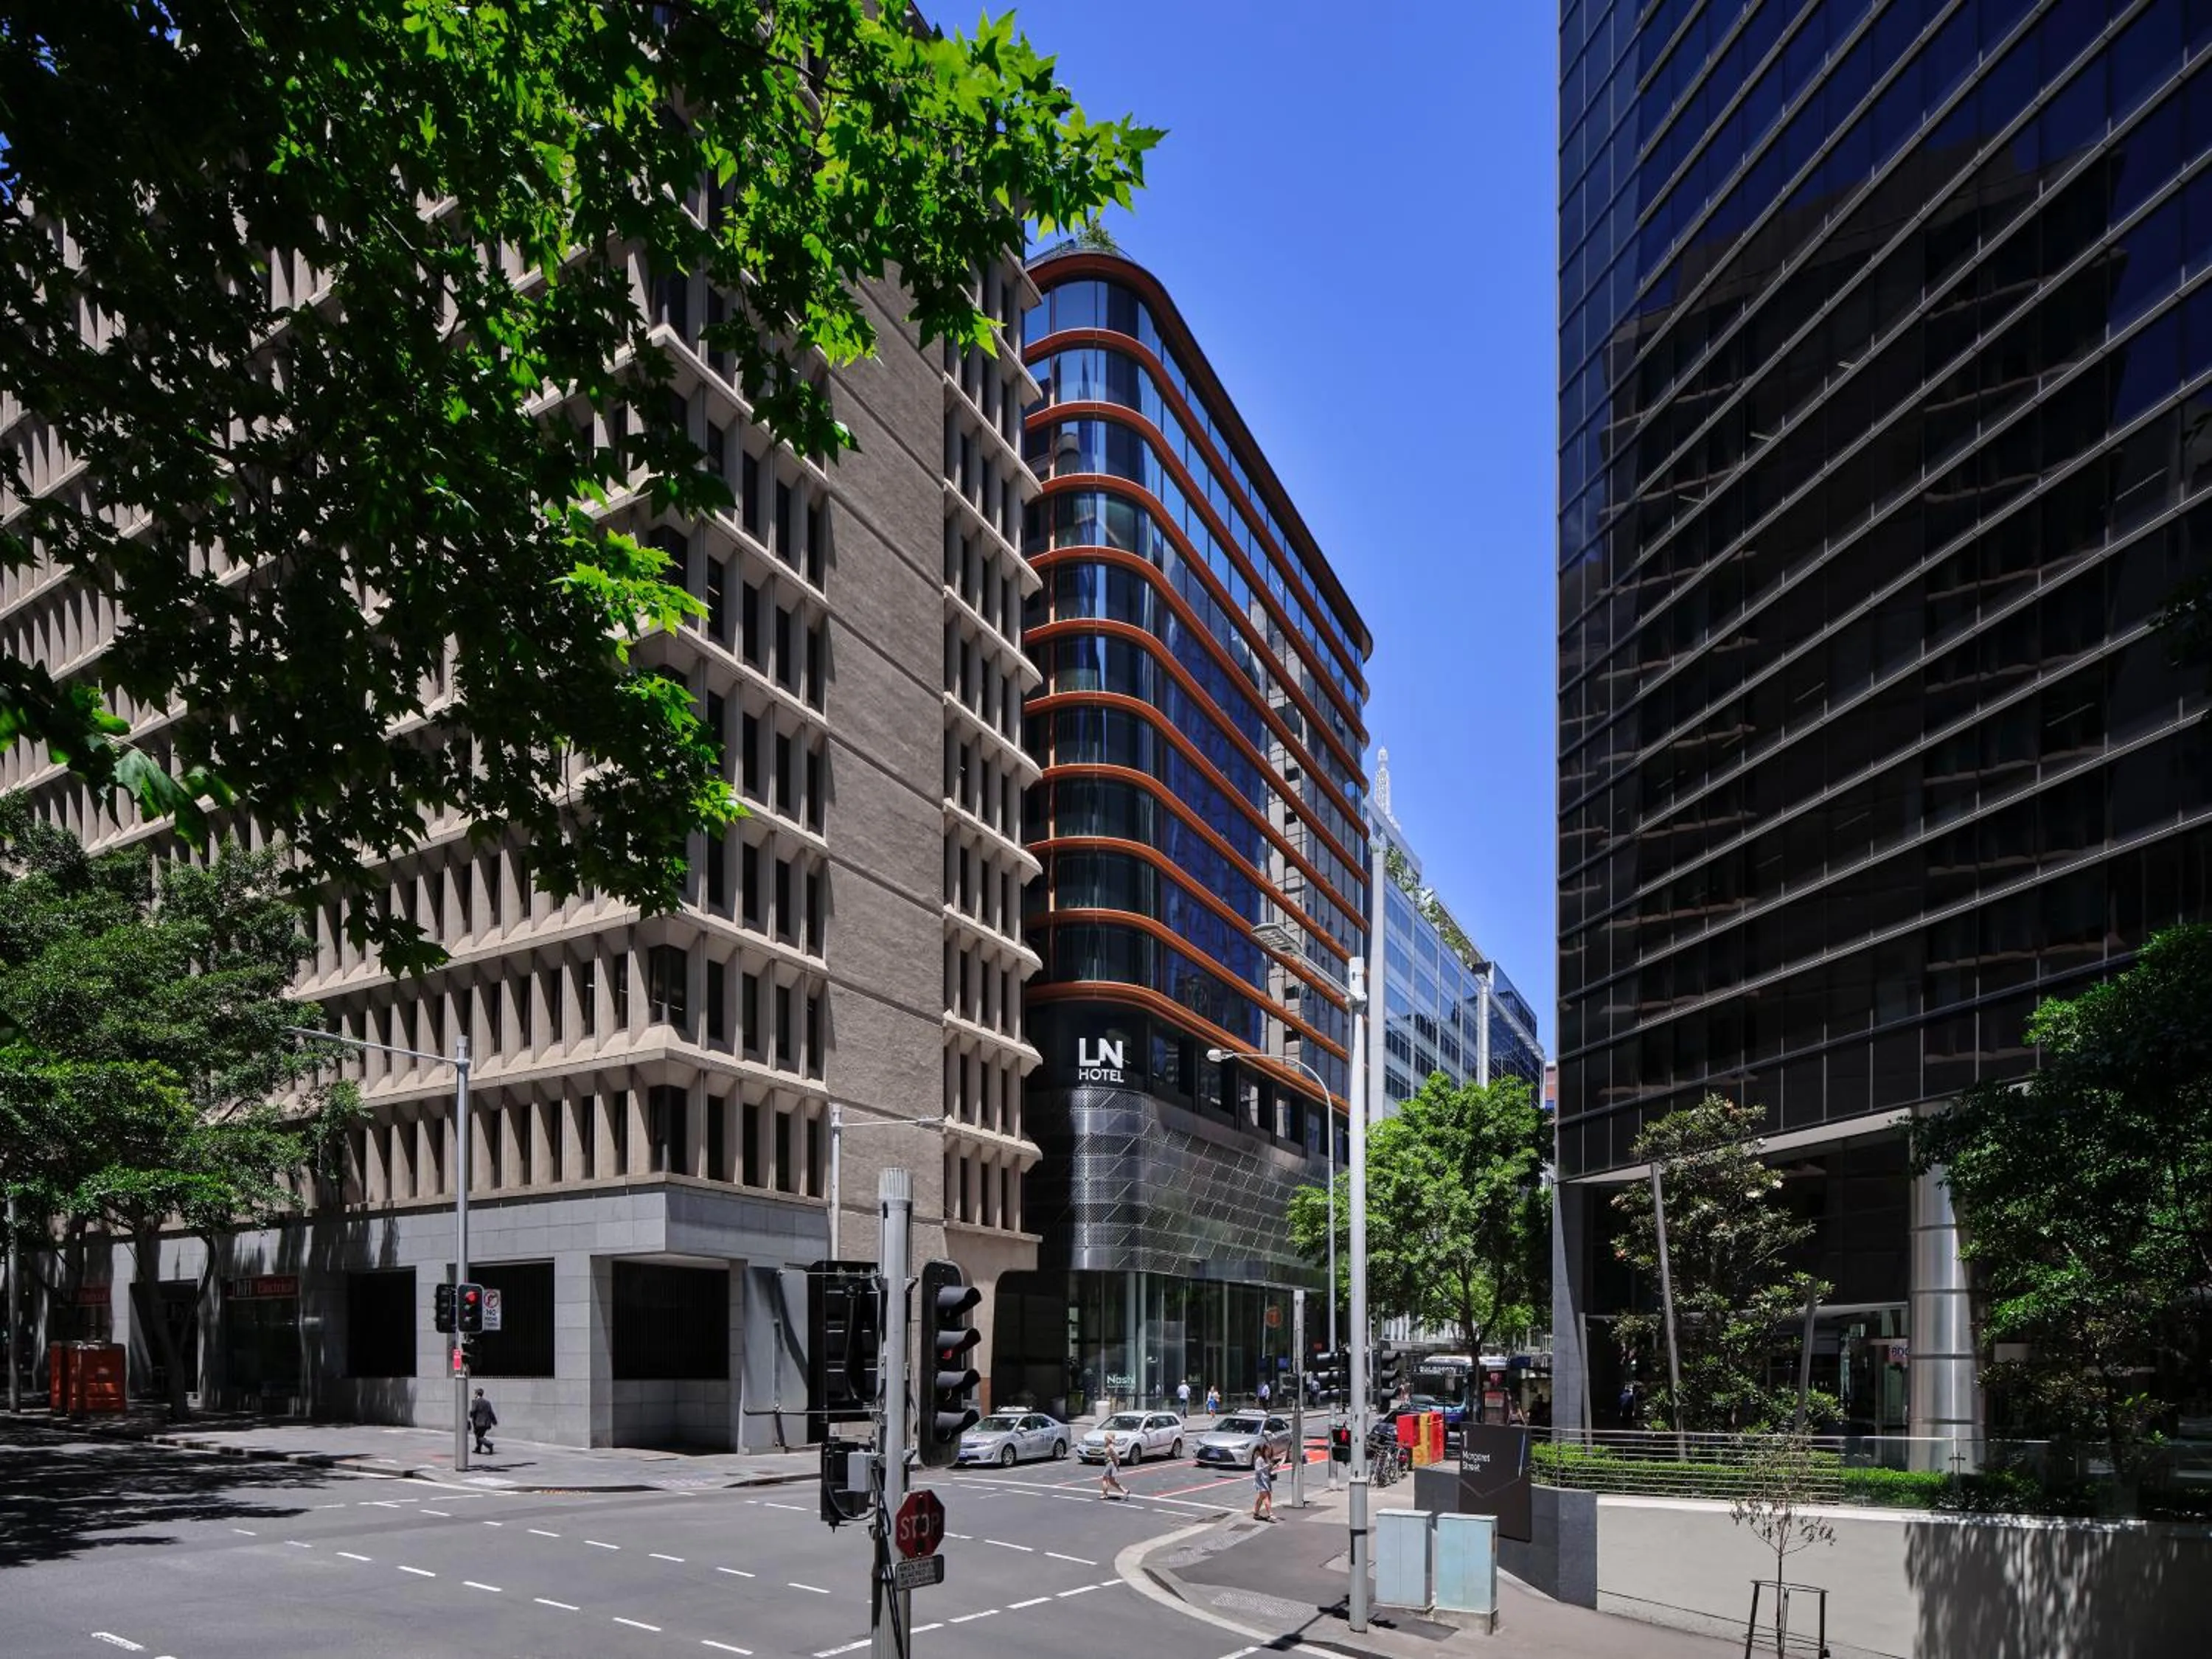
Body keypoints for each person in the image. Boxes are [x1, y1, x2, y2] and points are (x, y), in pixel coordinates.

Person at [1251, 1442, 1276, 1523]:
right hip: (1260, 1481)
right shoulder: (1259, 1459)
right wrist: (1266, 1466)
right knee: (1266, 1497)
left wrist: (1273, 1467)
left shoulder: (1267, 1459)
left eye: (1269, 1451)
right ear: (1264, 1450)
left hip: (1266, 1480)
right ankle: (1270, 1514)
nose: (1268, 1453)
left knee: (1261, 1498)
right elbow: (1257, 1470)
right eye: (1267, 1451)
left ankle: (1256, 1513)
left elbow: (1268, 1471)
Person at [468, 1388, 498, 1455]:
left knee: (479, 1437)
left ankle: (489, 1444)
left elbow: (473, 1411)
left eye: (475, 1393)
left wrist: (470, 1415)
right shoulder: (487, 1402)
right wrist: (494, 1421)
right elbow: (491, 1413)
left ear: (477, 1394)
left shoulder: (476, 1402)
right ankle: (478, 1449)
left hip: (478, 1422)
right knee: (480, 1435)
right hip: (486, 1423)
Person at [1099, 1432, 1127, 1501]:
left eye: (1106, 1438)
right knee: (1112, 1481)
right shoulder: (1108, 1445)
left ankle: (1105, 1494)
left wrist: (1117, 1459)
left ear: (1109, 1439)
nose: (1105, 1439)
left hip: (1110, 1463)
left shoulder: (1110, 1446)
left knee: (1105, 1478)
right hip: (1111, 1463)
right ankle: (1125, 1491)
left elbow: (1116, 1453)